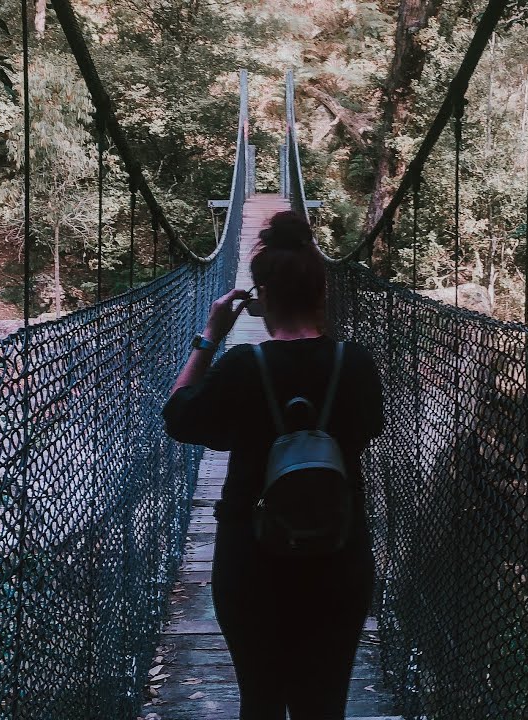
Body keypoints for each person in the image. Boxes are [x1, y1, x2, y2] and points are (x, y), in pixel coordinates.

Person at [162, 210, 384, 719]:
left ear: (259, 299)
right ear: (320, 291)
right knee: (323, 707)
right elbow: (370, 429)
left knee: (260, 703)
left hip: (251, 559)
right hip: (339, 553)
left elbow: (179, 416)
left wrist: (211, 336)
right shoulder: (357, 364)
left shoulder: (242, 366)